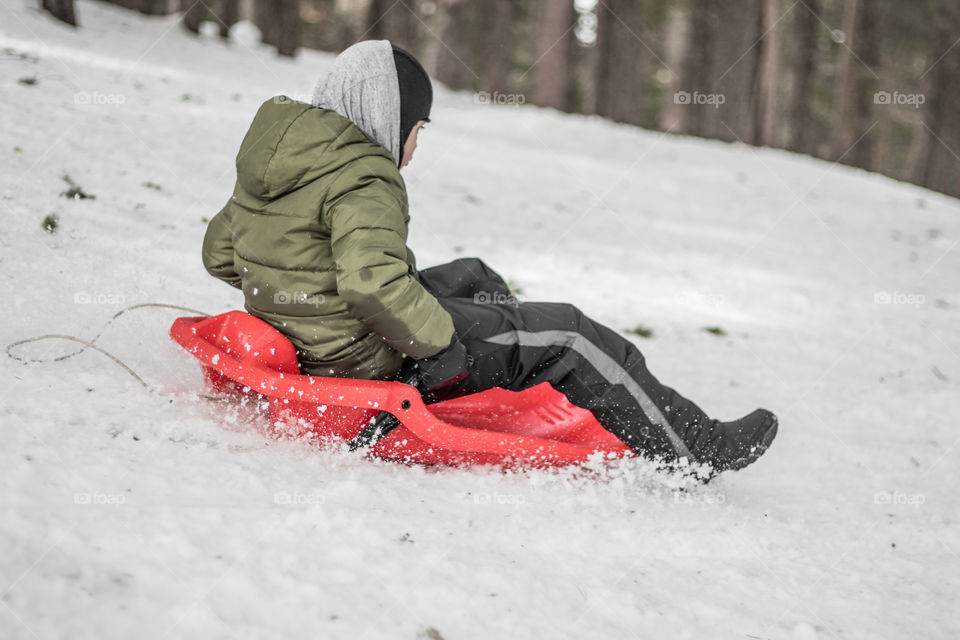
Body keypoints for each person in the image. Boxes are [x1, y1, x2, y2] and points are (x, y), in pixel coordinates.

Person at [202, 40, 778, 476]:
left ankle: (513, 370)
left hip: (318, 336)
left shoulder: (283, 156)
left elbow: (221, 255)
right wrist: (440, 346)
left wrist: (294, 297)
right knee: (574, 335)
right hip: (368, 359)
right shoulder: (363, 174)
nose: (416, 145)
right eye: (417, 127)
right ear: (388, 115)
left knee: (475, 277)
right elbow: (372, 285)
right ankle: (698, 451)